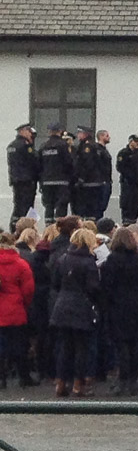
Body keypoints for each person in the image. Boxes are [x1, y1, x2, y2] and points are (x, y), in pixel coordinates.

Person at [99, 226, 138, 396]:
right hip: (137, 305)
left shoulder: (111, 261)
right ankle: (133, 380)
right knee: (135, 343)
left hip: (117, 306)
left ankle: (122, 379)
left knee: (120, 344)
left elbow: (106, 288)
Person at [49, 227, 100, 396]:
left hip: (62, 305)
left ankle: (61, 383)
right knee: (81, 349)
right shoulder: (89, 262)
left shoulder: (62, 258)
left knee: (64, 347)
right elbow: (93, 288)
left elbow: (55, 283)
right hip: (81, 308)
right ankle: (78, 384)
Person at [0, 232, 35, 388]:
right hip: (15, 309)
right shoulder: (20, 264)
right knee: (19, 345)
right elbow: (28, 290)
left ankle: (2, 379)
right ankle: (24, 377)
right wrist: (23, 304)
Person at [7, 123, 40, 227]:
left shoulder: (11, 145)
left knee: (17, 205)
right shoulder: (25, 145)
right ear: (23, 131)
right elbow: (33, 161)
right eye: (29, 132)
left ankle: (14, 226)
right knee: (27, 206)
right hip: (27, 180)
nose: (31, 135)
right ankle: (25, 228)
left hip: (16, 180)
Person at [115, 136, 138, 225]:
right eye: (136, 142)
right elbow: (120, 167)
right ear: (131, 142)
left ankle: (133, 221)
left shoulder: (137, 154)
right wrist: (130, 176)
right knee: (127, 202)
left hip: (136, 184)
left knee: (135, 203)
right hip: (127, 183)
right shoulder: (124, 153)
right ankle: (126, 222)